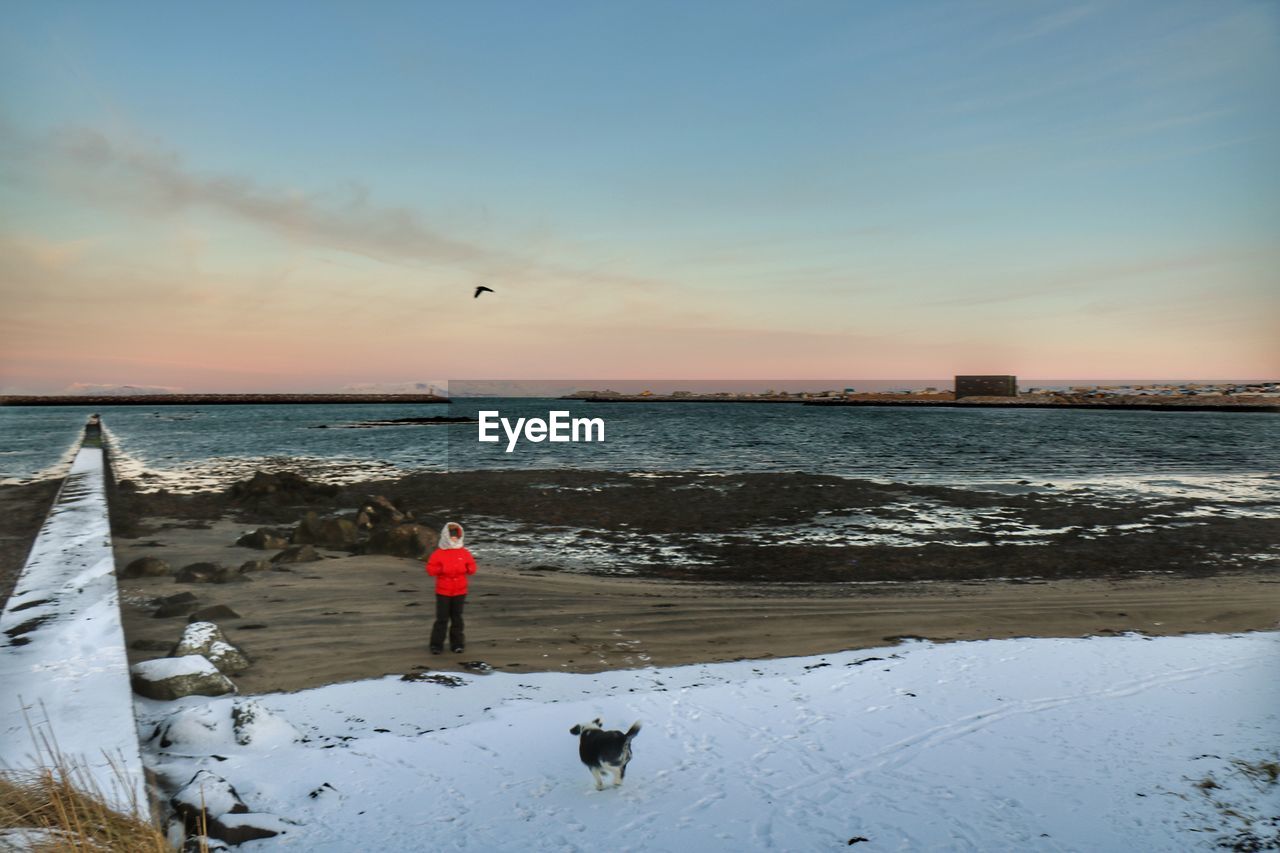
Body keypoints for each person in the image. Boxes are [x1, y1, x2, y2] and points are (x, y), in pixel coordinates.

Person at [425, 522, 476, 654]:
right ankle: (436, 645)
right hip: (443, 591)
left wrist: (468, 568)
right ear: (446, 536)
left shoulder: (464, 552)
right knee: (442, 619)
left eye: (456, 536)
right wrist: (442, 569)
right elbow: (430, 570)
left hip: (460, 590)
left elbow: (472, 568)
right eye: (452, 535)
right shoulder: (438, 553)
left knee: (457, 618)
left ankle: (457, 644)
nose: (454, 538)